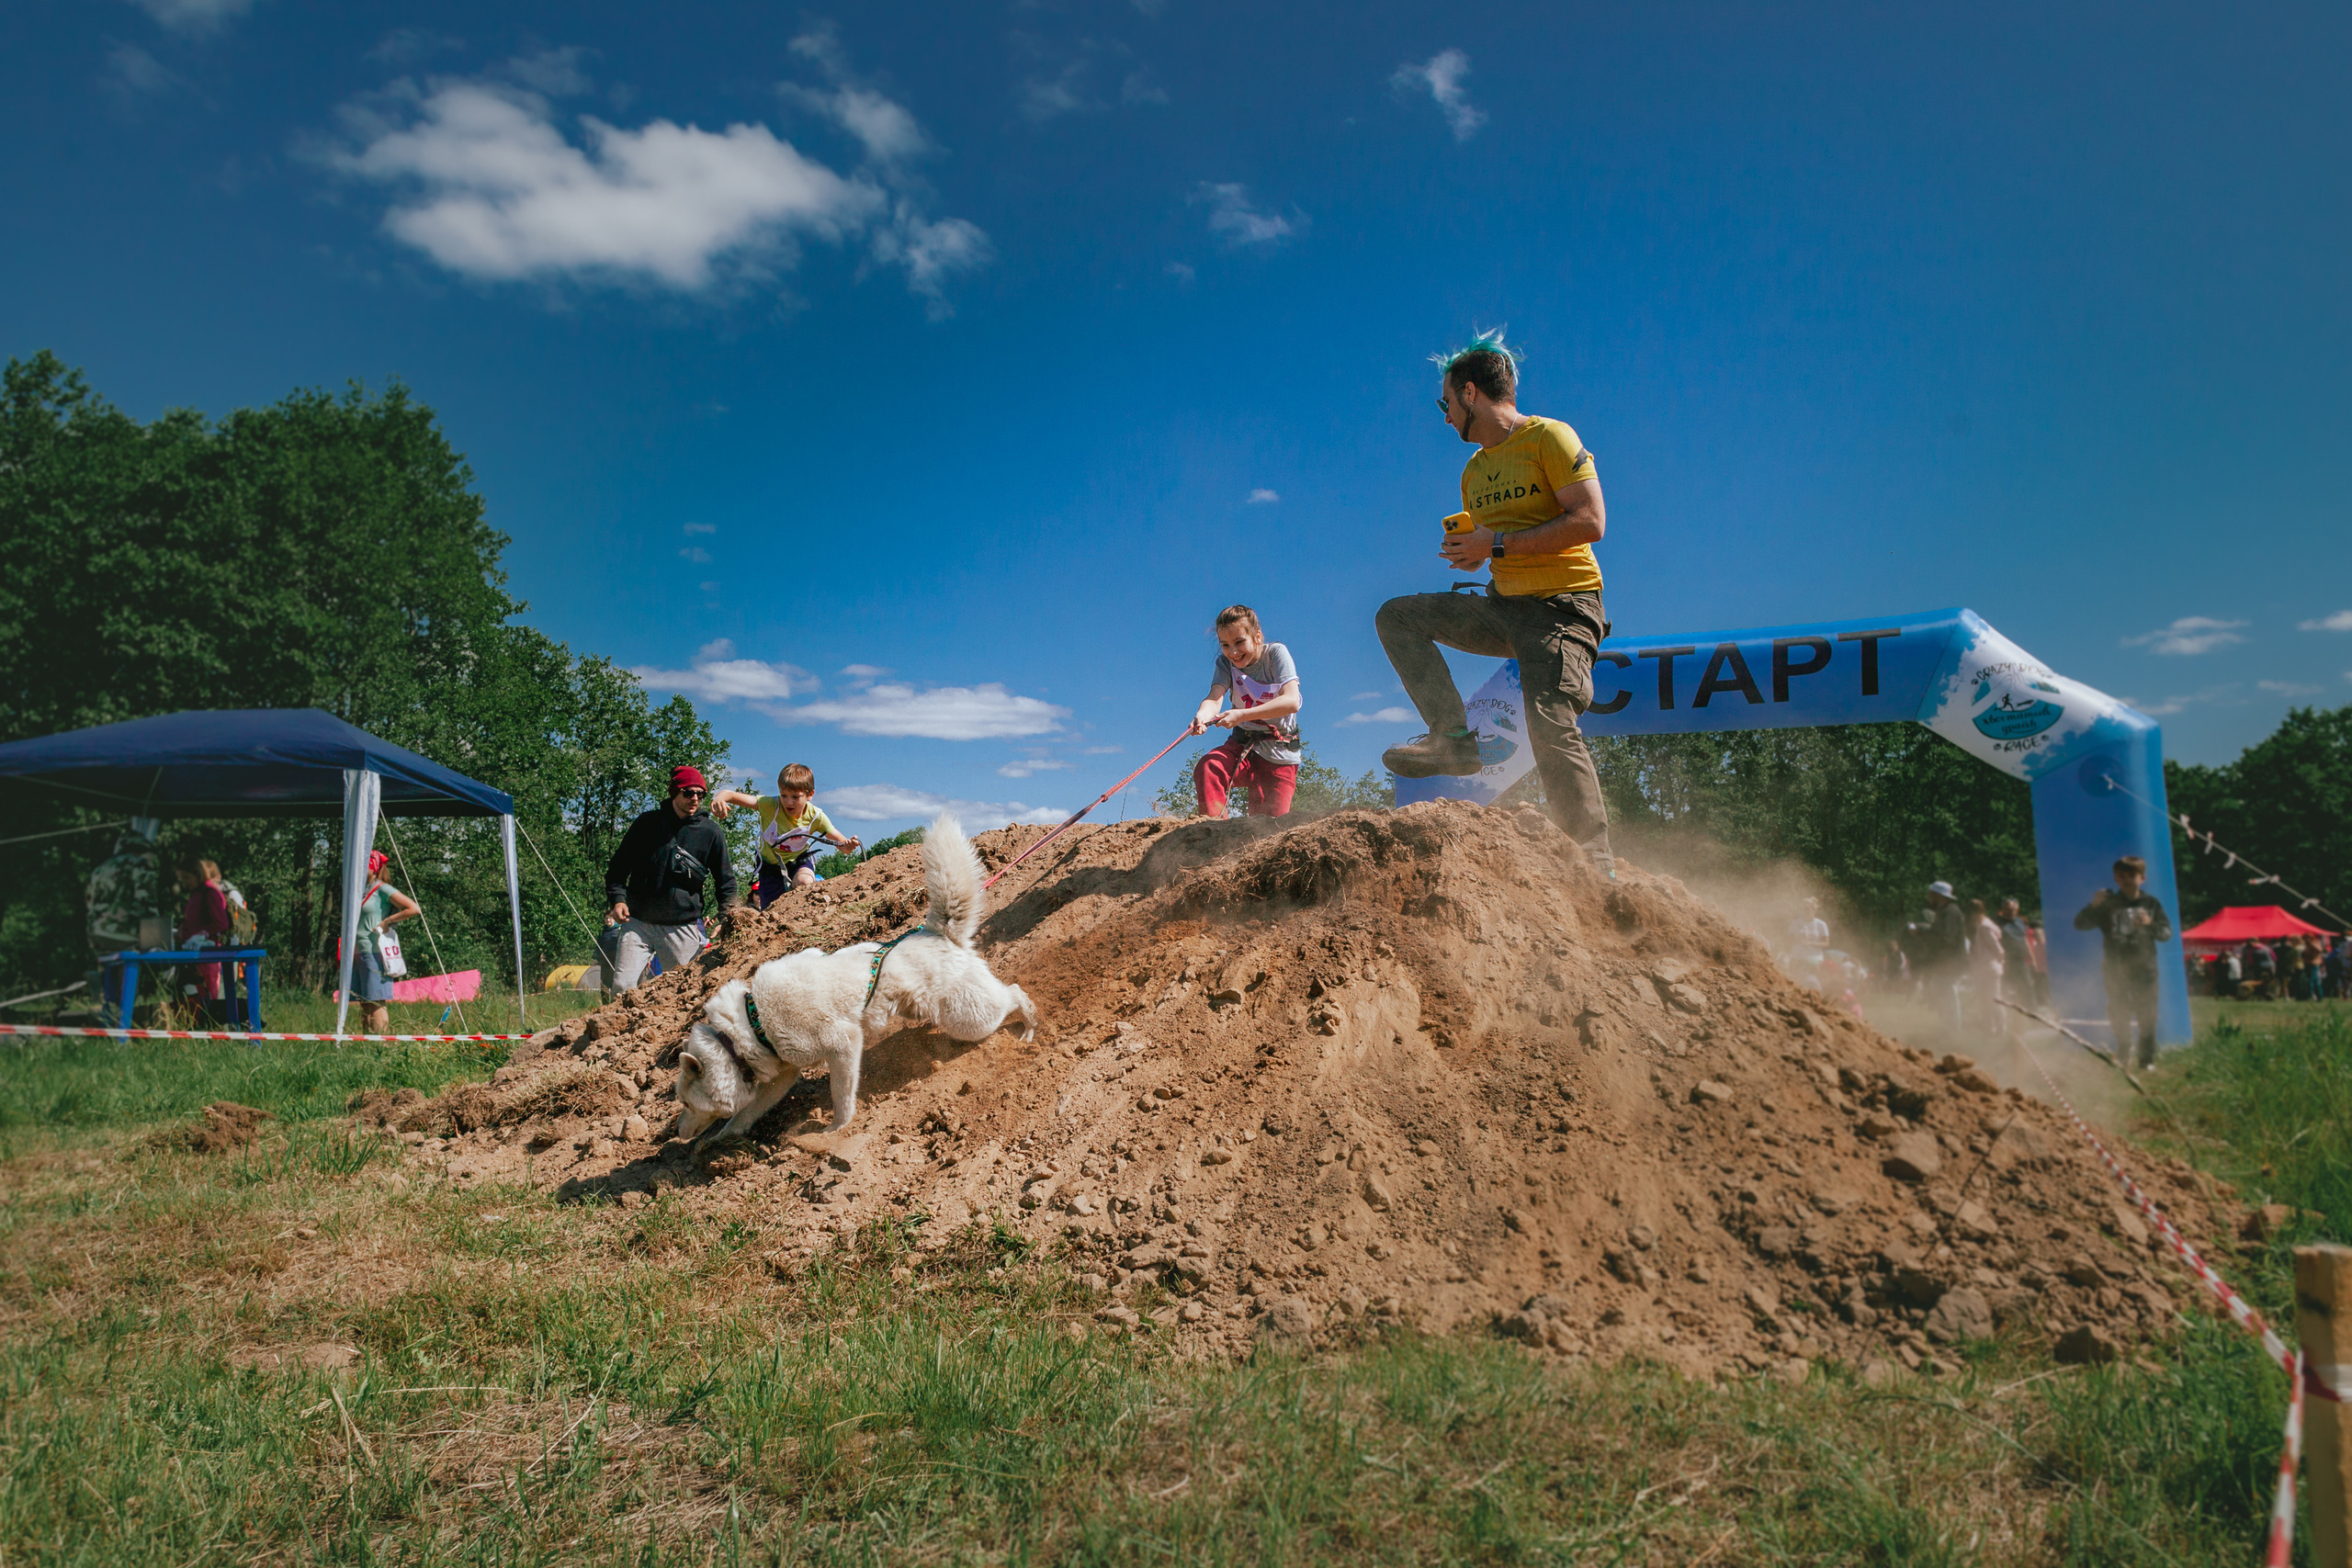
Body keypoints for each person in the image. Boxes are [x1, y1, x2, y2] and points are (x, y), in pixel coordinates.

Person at [1375, 328, 1614, 870]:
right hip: (1504, 607)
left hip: (1564, 610)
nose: (1444, 418)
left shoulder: (1550, 437)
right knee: (1397, 617)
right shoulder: (1474, 471)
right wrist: (1474, 554)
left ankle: (1595, 865)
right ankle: (1453, 739)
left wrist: (1496, 543)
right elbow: (1491, 546)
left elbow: (1591, 521)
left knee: (1549, 722)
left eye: (1444, 403)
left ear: (1468, 393)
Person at [603, 764, 740, 992]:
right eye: (688, 793)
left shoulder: (710, 832)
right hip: (638, 923)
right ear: (674, 792)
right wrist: (618, 899)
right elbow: (617, 869)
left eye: (700, 794)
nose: (695, 798)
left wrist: (726, 917)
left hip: (682, 926)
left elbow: (725, 881)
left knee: (685, 992)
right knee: (622, 986)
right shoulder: (646, 824)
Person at [1187, 604, 1304, 818]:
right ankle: (1212, 833)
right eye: (1225, 645)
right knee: (1209, 767)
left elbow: (1291, 701)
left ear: (1257, 636)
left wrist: (1241, 715)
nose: (1233, 652)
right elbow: (1215, 697)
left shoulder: (1276, 654)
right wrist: (1202, 716)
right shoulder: (1225, 663)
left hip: (1279, 751)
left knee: (1267, 826)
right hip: (1241, 744)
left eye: (1239, 642)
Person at [2072, 853, 2173, 1069]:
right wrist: (2093, 904)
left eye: (2131, 875)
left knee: (2147, 1014)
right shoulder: (2108, 903)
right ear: (2115, 878)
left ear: (2142, 878)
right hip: (2115, 967)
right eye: (2121, 876)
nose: (2126, 880)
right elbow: (2079, 924)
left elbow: (2166, 933)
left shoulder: (2151, 903)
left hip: (2145, 967)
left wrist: (2149, 924)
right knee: (2118, 1010)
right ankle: (2124, 1050)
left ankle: (2146, 1059)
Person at [713, 764, 862, 908]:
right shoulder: (771, 805)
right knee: (770, 913)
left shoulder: (816, 816)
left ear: (810, 795)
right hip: (770, 869)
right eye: (784, 795)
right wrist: (720, 798)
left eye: (796, 797)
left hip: (799, 863)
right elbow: (730, 795)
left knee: (805, 883)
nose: (788, 802)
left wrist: (849, 845)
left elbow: (844, 847)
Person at [85, 828, 162, 1015]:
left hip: (98, 936)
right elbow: (147, 905)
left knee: (112, 968)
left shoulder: (100, 869)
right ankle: (124, 1018)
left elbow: (89, 903)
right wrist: (157, 944)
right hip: (125, 936)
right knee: (137, 969)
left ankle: (106, 996)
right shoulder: (141, 866)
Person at [350, 850, 423, 1034]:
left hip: (375, 952)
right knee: (364, 1003)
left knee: (375, 1002)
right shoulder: (361, 890)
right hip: (359, 953)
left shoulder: (382, 888)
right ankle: (369, 1046)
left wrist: (388, 921)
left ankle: (382, 1046)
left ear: (373, 867)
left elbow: (413, 908)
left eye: (364, 864)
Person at [171, 856, 232, 1023]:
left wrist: (200, 933)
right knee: (190, 996)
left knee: (207, 998)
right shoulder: (195, 895)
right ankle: (194, 1028)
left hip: (207, 955)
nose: (184, 882)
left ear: (196, 874)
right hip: (192, 955)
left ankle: (211, 1031)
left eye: (186, 878)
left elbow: (221, 924)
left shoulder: (211, 894)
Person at [1913, 881, 1971, 1036]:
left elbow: (1946, 938)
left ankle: (1953, 1030)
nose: (1929, 897)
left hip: (1951, 964)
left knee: (1949, 995)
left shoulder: (1950, 912)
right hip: (1946, 964)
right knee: (1940, 990)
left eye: (1931, 894)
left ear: (1938, 895)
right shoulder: (1946, 911)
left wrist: (1923, 931)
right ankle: (1949, 1027)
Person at [1967, 897, 2009, 1035]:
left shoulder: (1984, 928)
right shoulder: (1984, 925)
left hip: (1989, 968)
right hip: (1986, 968)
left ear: (1977, 912)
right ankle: (1990, 1028)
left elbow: (1998, 949)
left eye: (1971, 913)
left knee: (1994, 999)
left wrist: (1998, 963)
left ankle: (2001, 1028)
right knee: (1986, 1000)